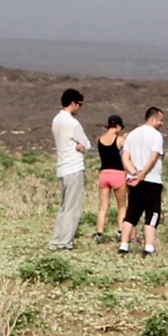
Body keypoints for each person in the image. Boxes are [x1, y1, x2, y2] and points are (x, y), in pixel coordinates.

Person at [119, 107, 166, 256]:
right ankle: (149, 247)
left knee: (132, 213)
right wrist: (143, 174)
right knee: (152, 214)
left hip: (134, 181)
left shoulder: (132, 134)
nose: (162, 123)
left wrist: (134, 173)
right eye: (160, 120)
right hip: (152, 180)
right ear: (153, 119)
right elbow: (153, 157)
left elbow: (125, 158)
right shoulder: (156, 136)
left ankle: (124, 245)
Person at [49, 88, 90, 250]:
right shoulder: (72, 123)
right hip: (74, 167)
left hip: (62, 167)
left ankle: (57, 239)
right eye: (79, 104)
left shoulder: (56, 120)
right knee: (73, 208)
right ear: (73, 103)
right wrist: (82, 146)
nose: (80, 108)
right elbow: (86, 144)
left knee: (64, 206)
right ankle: (64, 241)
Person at [93, 115, 127, 242]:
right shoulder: (119, 140)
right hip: (118, 174)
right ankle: (120, 232)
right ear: (118, 126)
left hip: (104, 174)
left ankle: (99, 234)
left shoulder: (99, 139)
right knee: (122, 206)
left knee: (103, 207)